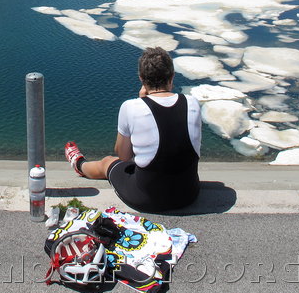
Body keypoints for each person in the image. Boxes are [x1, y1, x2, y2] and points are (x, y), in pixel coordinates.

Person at [65, 47, 201, 212]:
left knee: (108, 161)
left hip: (147, 198)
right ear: (172, 76)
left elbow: (124, 155)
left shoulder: (131, 107)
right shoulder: (192, 103)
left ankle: (80, 165)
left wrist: (141, 100)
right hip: (188, 195)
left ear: (141, 79)